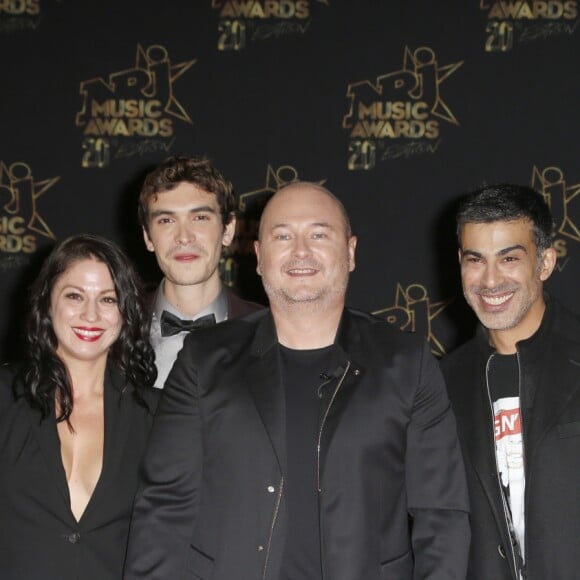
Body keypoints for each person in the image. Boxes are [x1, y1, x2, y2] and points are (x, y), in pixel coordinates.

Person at [124, 182, 470, 579]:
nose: (300, 251)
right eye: (283, 236)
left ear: (351, 251)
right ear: (258, 256)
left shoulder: (406, 362)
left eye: (319, 235)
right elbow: (164, 507)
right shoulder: (205, 359)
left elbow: (441, 516)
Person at [440, 183, 580, 579]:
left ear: (545, 262)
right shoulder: (441, 386)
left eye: (509, 258)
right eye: (475, 260)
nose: (490, 280)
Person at [0, 234, 159, 580]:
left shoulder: (157, 414)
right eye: (74, 296)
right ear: (46, 302)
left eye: (108, 299)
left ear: (125, 311)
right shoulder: (4, 397)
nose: (91, 314)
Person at [138, 154, 263, 388]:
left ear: (228, 229)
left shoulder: (269, 333)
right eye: (166, 220)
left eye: (200, 217)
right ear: (148, 236)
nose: (184, 237)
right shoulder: (115, 329)